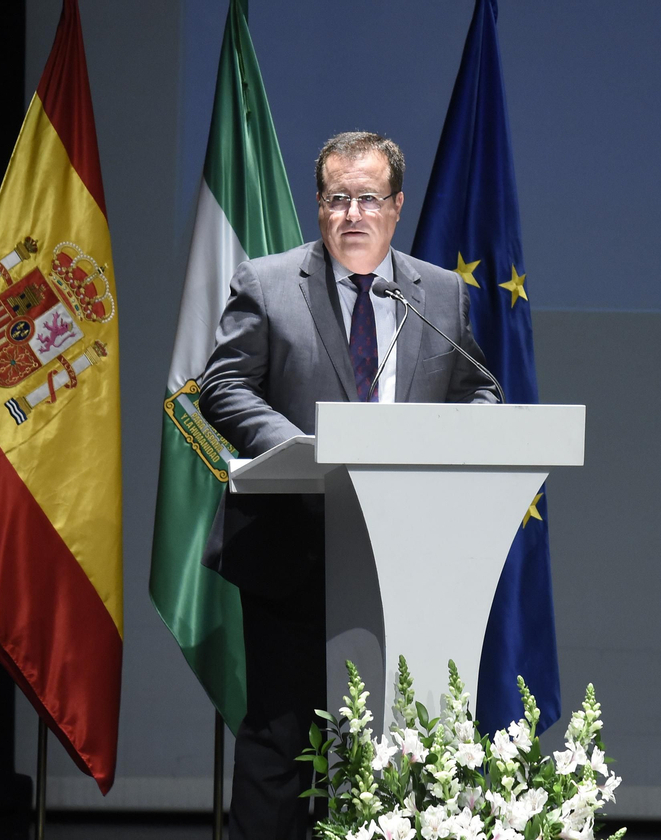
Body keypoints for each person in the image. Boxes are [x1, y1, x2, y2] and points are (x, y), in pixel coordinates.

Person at [199, 132, 498, 839]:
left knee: (398, 746)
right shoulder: (267, 284)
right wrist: (302, 450)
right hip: (292, 548)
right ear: (319, 205)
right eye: (337, 198)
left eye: (368, 198)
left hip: (405, 560)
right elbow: (224, 385)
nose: (352, 213)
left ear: (396, 207)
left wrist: (447, 446)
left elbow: (480, 393)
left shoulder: (441, 294)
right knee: (281, 745)